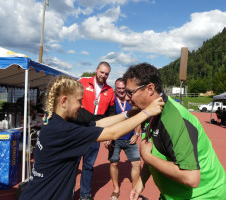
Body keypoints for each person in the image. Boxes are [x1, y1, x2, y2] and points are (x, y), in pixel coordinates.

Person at [19, 75, 164, 200]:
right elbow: (112, 133)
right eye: (79, 100)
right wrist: (147, 113)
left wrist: (129, 113)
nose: (81, 106)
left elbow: (98, 123)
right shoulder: (63, 130)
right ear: (64, 101)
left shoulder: (58, 121)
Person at [121, 63, 226, 200]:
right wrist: (141, 181)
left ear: (150, 88)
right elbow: (155, 152)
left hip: (206, 196)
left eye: (130, 92)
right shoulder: (150, 112)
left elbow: (191, 178)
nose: (126, 97)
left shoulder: (174, 119)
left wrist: (147, 157)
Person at [76, 61, 115, 200]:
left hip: (95, 131)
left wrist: (109, 133)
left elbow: (111, 114)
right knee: (72, 163)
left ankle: (85, 194)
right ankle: (66, 192)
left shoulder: (110, 91)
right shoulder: (82, 82)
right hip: (79, 128)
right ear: (96, 70)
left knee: (88, 165)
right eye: (102, 72)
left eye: (106, 74)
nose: (103, 75)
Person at [104, 78, 141, 200]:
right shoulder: (112, 100)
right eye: (118, 88)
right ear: (115, 88)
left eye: (123, 88)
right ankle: (116, 190)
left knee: (136, 163)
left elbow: (138, 116)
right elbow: (107, 118)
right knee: (114, 163)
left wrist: (137, 134)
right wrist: (107, 135)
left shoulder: (131, 100)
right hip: (115, 138)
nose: (121, 91)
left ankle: (135, 190)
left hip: (130, 138)